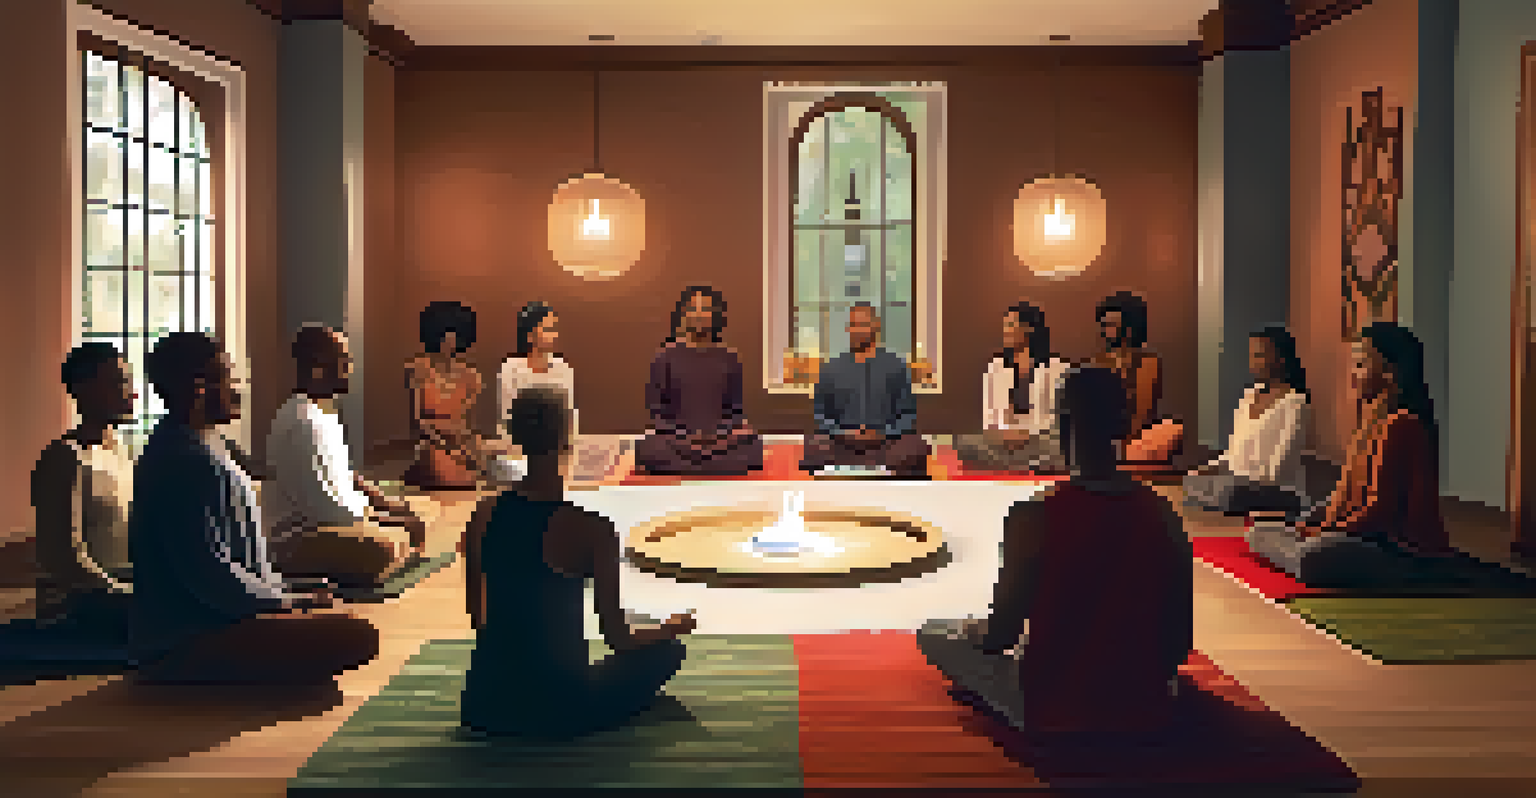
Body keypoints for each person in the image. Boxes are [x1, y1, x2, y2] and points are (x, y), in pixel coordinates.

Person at [917, 366, 1192, 742]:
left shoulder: (1034, 514)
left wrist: (971, 630)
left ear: (1063, 427)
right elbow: (1178, 642)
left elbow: (1001, 636)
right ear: (1124, 427)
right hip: (1145, 704)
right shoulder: (1163, 513)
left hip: (1052, 706)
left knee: (933, 633)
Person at [129, 332, 378, 684]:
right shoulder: (183, 462)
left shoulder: (208, 444)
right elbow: (210, 575)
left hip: (233, 614)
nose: (238, 390)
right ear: (199, 388)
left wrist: (291, 591)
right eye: (229, 378)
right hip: (188, 639)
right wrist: (284, 602)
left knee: (329, 607)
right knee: (356, 635)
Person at [461, 386, 693, 738]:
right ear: (568, 439)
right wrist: (670, 628)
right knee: (668, 652)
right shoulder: (593, 530)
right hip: (560, 707)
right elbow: (620, 639)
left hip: (485, 703)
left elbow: (478, 616)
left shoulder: (484, 514)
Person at [1247, 323, 1458, 588]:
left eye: (1361, 365)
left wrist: (1323, 532)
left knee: (1312, 556)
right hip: (1356, 535)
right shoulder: (1370, 422)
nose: (1353, 375)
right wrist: (1303, 523)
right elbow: (1343, 496)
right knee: (1261, 533)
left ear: (1391, 372)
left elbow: (1379, 512)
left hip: (1397, 550)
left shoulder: (1402, 425)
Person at [264, 324, 427, 589]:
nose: (350, 368)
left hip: (328, 520)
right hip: (296, 536)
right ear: (318, 369)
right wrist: (379, 516)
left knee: (416, 516)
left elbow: (343, 478)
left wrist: (384, 503)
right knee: (382, 547)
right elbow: (326, 509)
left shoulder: (320, 414)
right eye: (344, 361)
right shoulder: (305, 422)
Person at [22, 343, 137, 643]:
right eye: (118, 383)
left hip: (120, 588)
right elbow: (64, 558)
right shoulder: (65, 458)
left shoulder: (123, 453)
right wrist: (124, 595)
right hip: (77, 607)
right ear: (83, 390)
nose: (131, 393)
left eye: (129, 381)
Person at [1184, 326, 1313, 518]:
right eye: (1252, 356)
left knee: (1225, 492)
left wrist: (1235, 481)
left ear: (1281, 360)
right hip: (1237, 487)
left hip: (1275, 493)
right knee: (1192, 485)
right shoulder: (1248, 397)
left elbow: (1278, 471)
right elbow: (1233, 455)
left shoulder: (1295, 403)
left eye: (1260, 356)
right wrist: (1207, 470)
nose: (1253, 363)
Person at [635, 286, 764, 476]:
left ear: (714, 316)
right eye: (694, 309)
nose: (699, 314)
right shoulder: (665, 357)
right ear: (684, 315)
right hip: (678, 440)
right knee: (650, 447)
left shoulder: (729, 358)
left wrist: (715, 436)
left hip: (719, 440)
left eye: (705, 309)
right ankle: (713, 466)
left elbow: (735, 411)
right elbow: (657, 413)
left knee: (752, 445)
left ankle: (691, 466)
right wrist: (685, 437)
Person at [800, 303, 930, 477]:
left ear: (875, 326)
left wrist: (881, 434)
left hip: (886, 443)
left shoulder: (896, 366)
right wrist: (843, 433)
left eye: (862, 324)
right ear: (847, 329)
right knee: (813, 445)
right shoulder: (831, 368)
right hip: (842, 444)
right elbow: (820, 414)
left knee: (915, 447)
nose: (857, 330)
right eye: (853, 325)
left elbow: (907, 414)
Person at [952, 301, 1073, 473]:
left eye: (1010, 325)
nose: (1005, 331)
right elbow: (990, 413)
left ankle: (1016, 465)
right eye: (1005, 326)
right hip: (1003, 439)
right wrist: (1004, 433)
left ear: (1029, 329)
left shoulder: (1057, 367)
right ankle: (1026, 466)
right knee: (964, 444)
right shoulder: (996, 366)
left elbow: (1058, 416)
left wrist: (1026, 433)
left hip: (1039, 437)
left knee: (1060, 448)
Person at [403, 301, 498, 490]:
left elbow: (469, 424)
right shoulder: (418, 369)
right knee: (452, 476)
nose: (451, 339)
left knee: (490, 462)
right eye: (447, 332)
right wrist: (446, 446)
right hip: (432, 443)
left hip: (463, 442)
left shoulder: (471, 376)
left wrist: (469, 446)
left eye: (456, 333)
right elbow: (417, 421)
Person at [1090, 291, 1184, 463]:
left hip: (1137, 443)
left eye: (1113, 324)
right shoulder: (1097, 362)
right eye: (1104, 324)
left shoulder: (1147, 363)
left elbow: (1142, 413)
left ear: (1129, 326)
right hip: (1101, 441)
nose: (1106, 329)